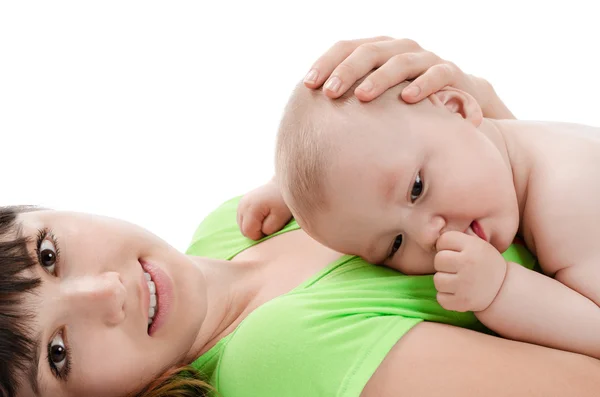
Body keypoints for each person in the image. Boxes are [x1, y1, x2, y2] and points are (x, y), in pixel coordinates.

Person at [4, 38, 600, 397]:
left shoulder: (228, 228)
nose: (108, 293)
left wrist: (470, 110)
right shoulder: (279, 355)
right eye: (57, 353)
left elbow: (532, 229)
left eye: (49, 255)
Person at [270, 38, 600, 360]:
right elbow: (357, 173)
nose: (427, 237)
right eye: (395, 245)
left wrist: (501, 290)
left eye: (416, 188)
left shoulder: (568, 200)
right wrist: (285, 186)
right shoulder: (509, 151)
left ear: (457, 107)